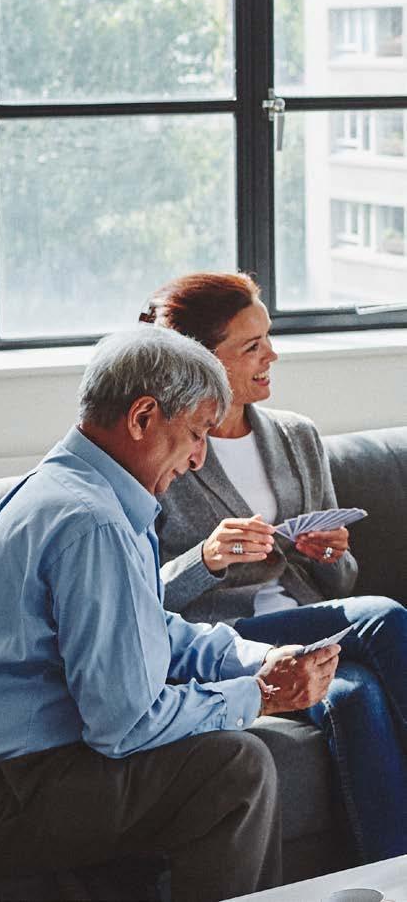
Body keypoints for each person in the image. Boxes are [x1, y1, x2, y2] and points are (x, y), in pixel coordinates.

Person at [0, 326, 340, 902]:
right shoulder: (92, 522)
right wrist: (261, 697)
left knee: (207, 759)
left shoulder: (77, 491)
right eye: (196, 434)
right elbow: (126, 725)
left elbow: (151, 629)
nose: (198, 460)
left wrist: (257, 657)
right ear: (143, 416)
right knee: (232, 768)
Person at [141, 272, 407, 863]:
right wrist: (206, 560)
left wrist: (331, 554)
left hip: (306, 626)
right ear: (203, 360)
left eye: (270, 338)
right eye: (252, 346)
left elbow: (341, 585)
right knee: (383, 618)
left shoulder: (297, 436)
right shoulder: (160, 448)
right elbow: (137, 602)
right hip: (220, 643)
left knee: (355, 695)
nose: (272, 355)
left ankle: (392, 877)